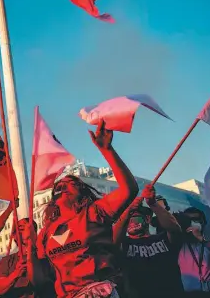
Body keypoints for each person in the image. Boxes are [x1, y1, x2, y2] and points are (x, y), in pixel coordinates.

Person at [36, 120, 139, 298]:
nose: (63, 186)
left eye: (70, 184)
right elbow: (40, 273)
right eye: (59, 186)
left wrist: (107, 150)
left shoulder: (94, 212)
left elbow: (129, 190)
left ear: (82, 192)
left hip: (99, 292)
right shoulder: (46, 232)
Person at [113, 185, 184, 298]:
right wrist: (127, 212)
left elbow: (175, 229)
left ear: (147, 219)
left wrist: (153, 203)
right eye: (128, 219)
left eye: (135, 217)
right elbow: (112, 242)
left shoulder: (163, 239)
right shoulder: (124, 244)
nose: (131, 222)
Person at [0, 218, 55, 298]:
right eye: (16, 230)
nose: (20, 232)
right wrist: (16, 273)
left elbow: (39, 282)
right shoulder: (7, 260)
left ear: (33, 232)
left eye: (22, 228)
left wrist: (30, 243)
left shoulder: (44, 255)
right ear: (14, 236)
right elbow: (0, 289)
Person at [177, 207, 210, 296]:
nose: (192, 223)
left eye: (196, 220)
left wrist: (201, 238)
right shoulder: (179, 245)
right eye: (189, 220)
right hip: (189, 294)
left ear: (203, 223)